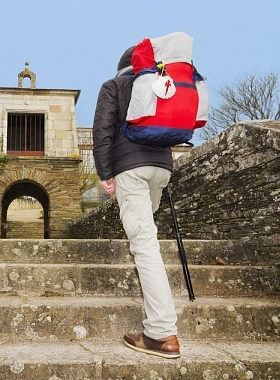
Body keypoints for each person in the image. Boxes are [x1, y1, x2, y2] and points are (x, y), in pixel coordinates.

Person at [92, 46, 180, 359]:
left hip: (130, 168)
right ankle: (161, 324)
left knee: (144, 245)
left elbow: (102, 130)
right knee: (146, 236)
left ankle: (160, 333)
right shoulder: (162, 82)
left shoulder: (113, 86)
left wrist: (105, 172)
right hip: (162, 168)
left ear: (120, 68)